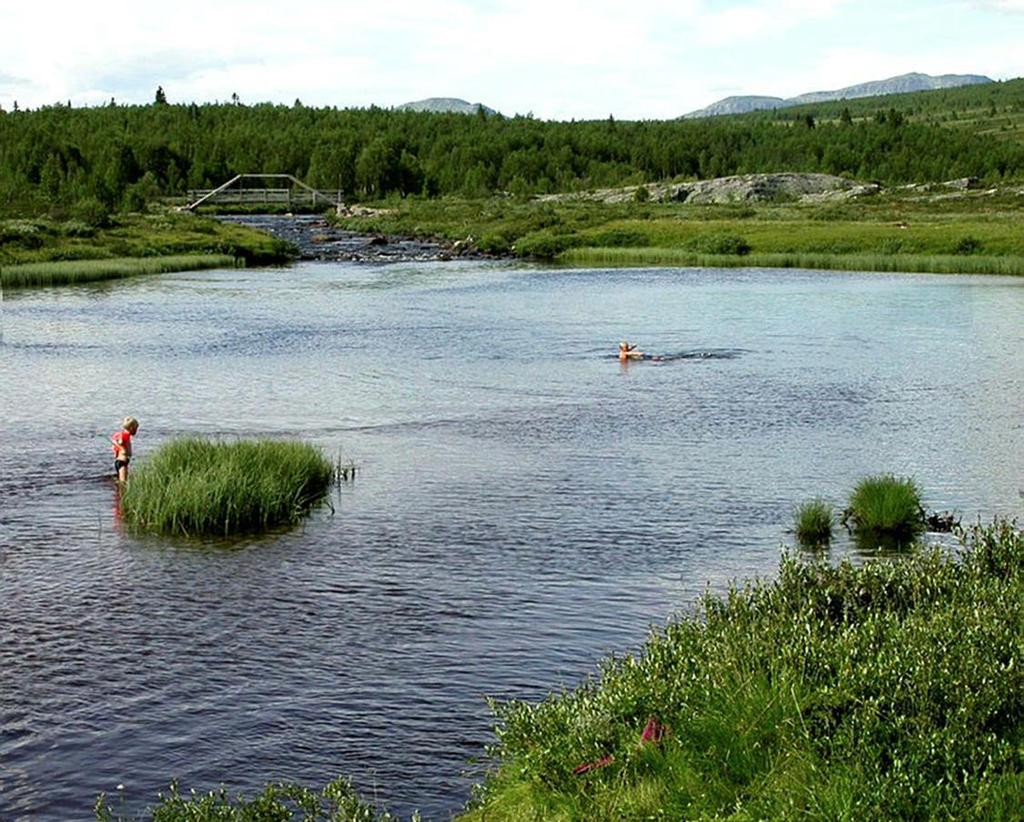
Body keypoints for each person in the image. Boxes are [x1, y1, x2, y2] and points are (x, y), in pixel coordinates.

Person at [110, 416, 140, 482]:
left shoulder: (121, 434)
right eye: (136, 429)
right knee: (123, 483)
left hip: (119, 461)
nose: (136, 431)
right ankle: (121, 491)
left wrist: (116, 452)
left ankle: (118, 490)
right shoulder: (126, 435)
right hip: (122, 462)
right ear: (131, 428)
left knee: (121, 481)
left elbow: (115, 441)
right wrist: (123, 449)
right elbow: (119, 442)